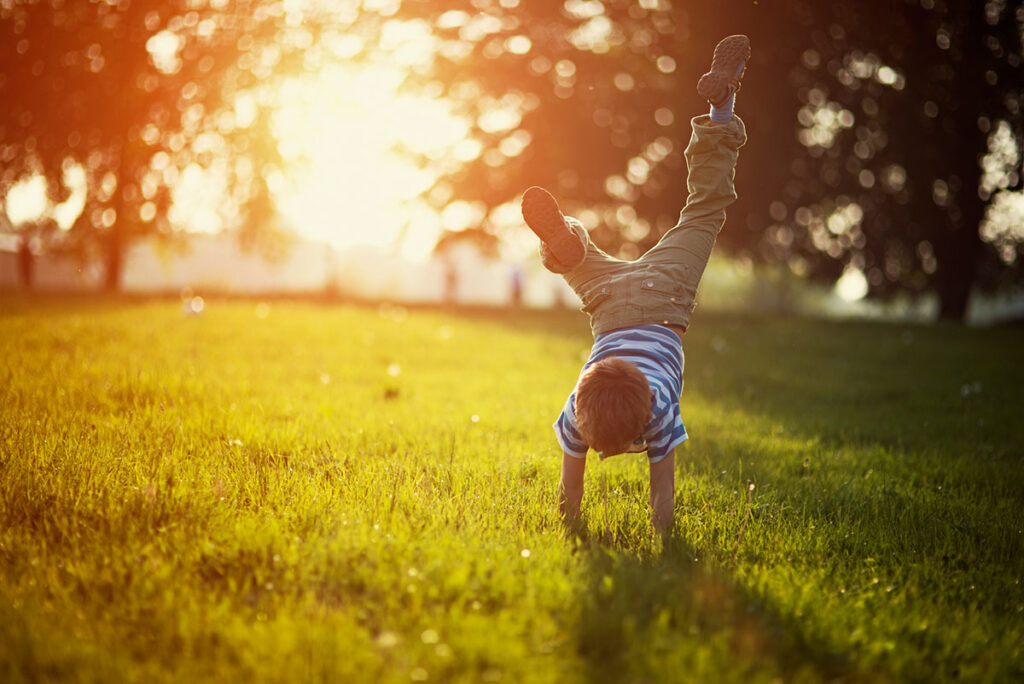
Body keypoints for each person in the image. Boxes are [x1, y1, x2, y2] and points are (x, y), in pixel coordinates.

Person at [521, 35, 750, 533]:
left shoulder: (650, 411)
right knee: (591, 258)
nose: (606, 455)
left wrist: (572, 529)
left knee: (704, 211)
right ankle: (568, 247)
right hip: (609, 305)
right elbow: (653, 497)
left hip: (664, 295)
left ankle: (567, 245)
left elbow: (576, 493)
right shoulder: (576, 409)